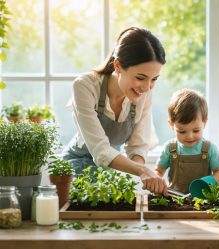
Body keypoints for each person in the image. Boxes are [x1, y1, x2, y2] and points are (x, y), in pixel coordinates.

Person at [62, 27, 168, 195]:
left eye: (154, 79)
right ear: (118, 65)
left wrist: (146, 174)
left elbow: (138, 146)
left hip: (109, 168)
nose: (147, 87)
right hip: (76, 165)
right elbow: (100, 150)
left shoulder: (144, 93)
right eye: (140, 78)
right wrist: (142, 171)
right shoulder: (85, 86)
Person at [155, 89, 219, 193]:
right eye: (182, 131)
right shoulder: (170, 148)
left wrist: (208, 183)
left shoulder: (209, 148)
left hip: (203, 200)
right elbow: (158, 171)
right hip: (176, 200)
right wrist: (158, 181)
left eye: (196, 130)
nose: (189, 137)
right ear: (172, 125)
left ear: (205, 122)